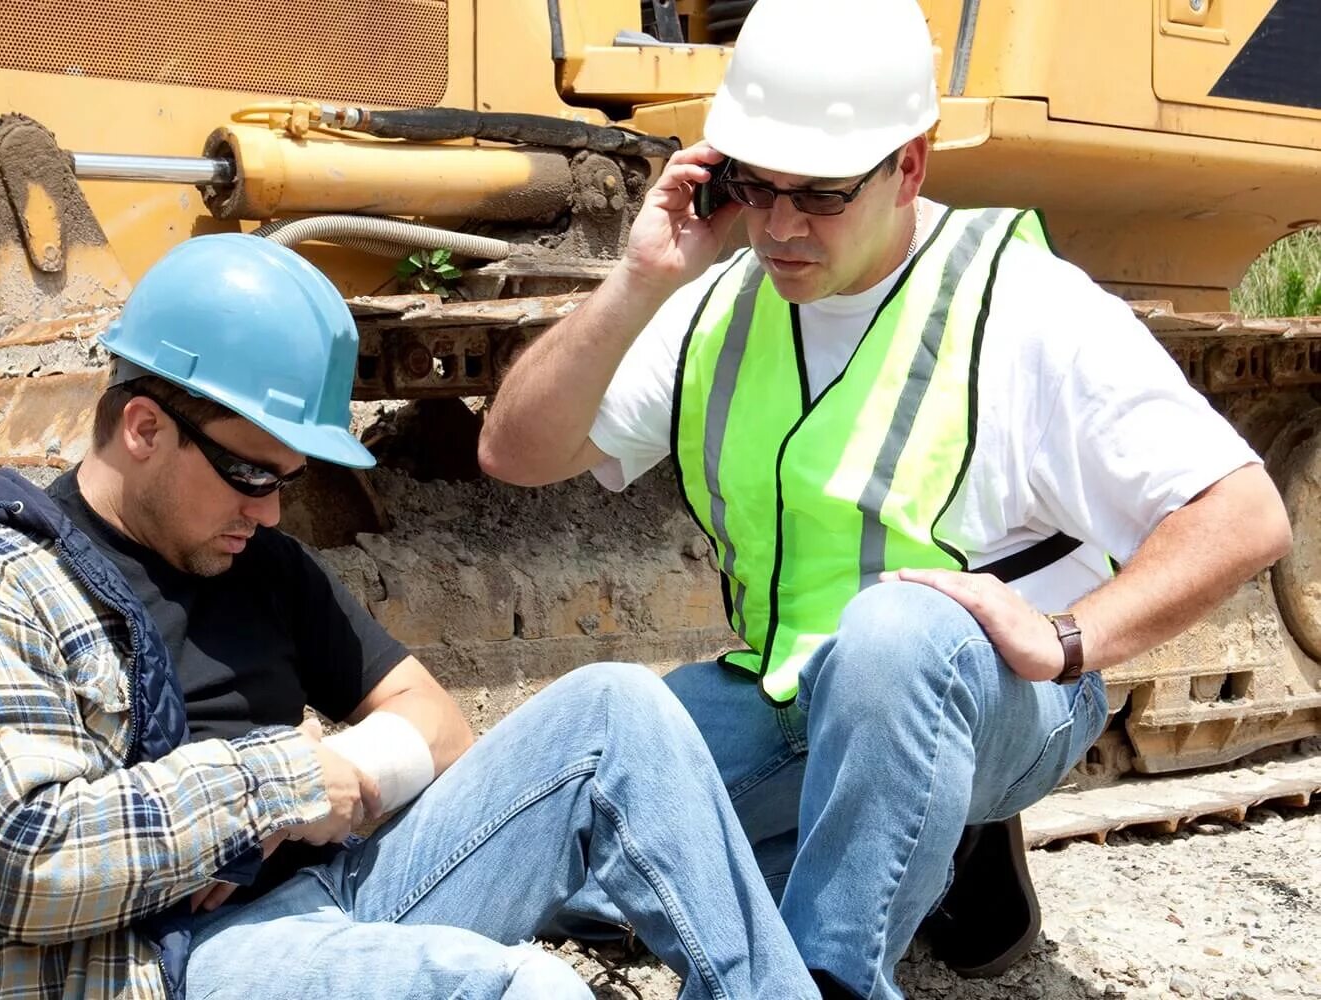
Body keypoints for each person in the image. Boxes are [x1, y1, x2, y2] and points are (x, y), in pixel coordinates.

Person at [476, 0, 1293, 996]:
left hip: (981, 690)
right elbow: (514, 453)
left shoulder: (1025, 304)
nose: (778, 225)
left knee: (899, 637)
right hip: (781, 691)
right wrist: (638, 281)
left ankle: (831, 973)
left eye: (818, 193)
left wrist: (1068, 638)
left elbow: (1246, 513)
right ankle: (932, 856)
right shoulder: (719, 301)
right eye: (752, 185)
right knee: (574, 845)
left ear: (910, 163)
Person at [0, 233, 820, 1000]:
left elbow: (437, 729)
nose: (271, 510)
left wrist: (346, 778)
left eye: (287, 480)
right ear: (145, 428)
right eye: (249, 473)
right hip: (156, 963)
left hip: (331, 894)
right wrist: (277, 790)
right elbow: (26, 866)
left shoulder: (257, 564)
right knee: (526, 988)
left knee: (617, 710)